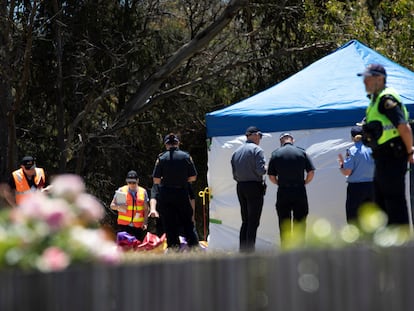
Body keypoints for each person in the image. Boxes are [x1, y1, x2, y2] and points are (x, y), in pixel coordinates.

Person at [357, 63, 414, 225]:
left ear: (380, 79)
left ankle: (402, 246)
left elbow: (403, 126)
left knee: (394, 203)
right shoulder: (374, 101)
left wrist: (409, 151)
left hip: (393, 155)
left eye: (368, 78)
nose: (365, 82)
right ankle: (388, 243)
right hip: (382, 157)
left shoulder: (386, 99)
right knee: (381, 203)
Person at [152, 133, 199, 251]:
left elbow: (156, 180)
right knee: (187, 222)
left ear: (166, 144)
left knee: (169, 223)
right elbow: (193, 177)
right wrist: (182, 179)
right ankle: (193, 247)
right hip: (182, 192)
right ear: (177, 143)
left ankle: (174, 248)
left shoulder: (161, 158)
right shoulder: (186, 156)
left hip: (166, 194)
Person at [267, 133, 315, 245]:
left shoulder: (275, 154)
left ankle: (286, 250)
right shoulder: (302, 152)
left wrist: (279, 183)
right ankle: (299, 249)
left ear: (281, 141)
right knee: (300, 222)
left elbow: (271, 176)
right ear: (292, 140)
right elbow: (311, 172)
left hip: (283, 191)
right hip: (299, 191)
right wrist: (304, 182)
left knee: (284, 223)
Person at [231, 126, 266, 252]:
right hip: (254, 187)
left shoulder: (236, 151)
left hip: (241, 187)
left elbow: (234, 175)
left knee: (245, 220)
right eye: (260, 135)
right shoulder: (257, 150)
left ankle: (243, 250)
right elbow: (261, 170)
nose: (260, 138)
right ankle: (250, 251)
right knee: (253, 221)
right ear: (255, 135)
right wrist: (268, 167)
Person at [337, 126, 375, 224]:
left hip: (357, 188)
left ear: (352, 137)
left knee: (354, 217)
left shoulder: (352, 151)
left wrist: (341, 165)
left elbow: (347, 172)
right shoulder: (372, 148)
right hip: (373, 186)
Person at [110, 170, 149, 241]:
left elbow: (146, 209)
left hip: (138, 226)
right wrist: (119, 207)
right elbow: (112, 205)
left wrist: (145, 222)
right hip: (124, 226)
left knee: (136, 248)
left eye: (134, 182)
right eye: (129, 182)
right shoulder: (121, 191)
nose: (132, 184)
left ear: (138, 181)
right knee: (124, 248)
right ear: (126, 181)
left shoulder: (143, 192)